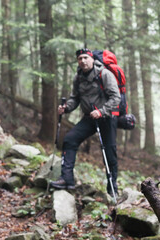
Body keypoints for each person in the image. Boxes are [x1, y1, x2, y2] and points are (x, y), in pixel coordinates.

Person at [50, 48, 121, 197]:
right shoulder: (78, 77)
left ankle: (112, 188)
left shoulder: (104, 74)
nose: (82, 61)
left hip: (107, 118)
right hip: (89, 118)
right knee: (70, 139)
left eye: (85, 58)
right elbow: (75, 98)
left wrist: (101, 111)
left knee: (110, 153)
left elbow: (116, 98)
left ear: (92, 59)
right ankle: (66, 178)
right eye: (80, 59)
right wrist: (66, 107)